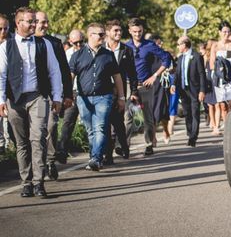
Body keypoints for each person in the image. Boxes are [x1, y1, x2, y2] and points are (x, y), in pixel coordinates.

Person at [0, 7, 63, 198]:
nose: (34, 24)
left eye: (35, 21)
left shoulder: (44, 44)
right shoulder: (5, 46)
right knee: (21, 143)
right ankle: (25, 182)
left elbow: (55, 71)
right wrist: (1, 100)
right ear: (18, 23)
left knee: (38, 139)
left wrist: (57, 97)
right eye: (30, 21)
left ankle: (38, 182)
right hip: (15, 99)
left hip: (38, 97)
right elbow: (1, 75)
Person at [69, 23, 125, 170]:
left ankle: (96, 158)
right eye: (99, 34)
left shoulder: (108, 54)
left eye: (103, 34)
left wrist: (121, 98)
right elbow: (71, 76)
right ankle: (95, 156)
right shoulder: (77, 55)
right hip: (83, 98)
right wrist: (67, 96)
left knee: (100, 127)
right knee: (90, 129)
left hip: (104, 97)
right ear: (90, 35)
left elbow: (117, 77)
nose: (103, 37)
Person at [35, 11, 73, 181]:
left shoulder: (55, 43)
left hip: (51, 94)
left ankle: (50, 160)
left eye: (46, 22)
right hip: (27, 95)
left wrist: (67, 94)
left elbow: (65, 70)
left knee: (50, 126)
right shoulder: (20, 43)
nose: (46, 26)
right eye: (42, 22)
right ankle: (34, 163)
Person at [126, 18, 172, 156]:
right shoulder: (126, 47)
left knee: (148, 118)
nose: (137, 34)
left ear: (143, 30)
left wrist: (155, 75)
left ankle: (148, 144)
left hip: (145, 85)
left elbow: (166, 59)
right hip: (129, 85)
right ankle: (124, 145)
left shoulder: (150, 45)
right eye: (134, 31)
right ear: (129, 31)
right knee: (128, 116)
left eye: (139, 31)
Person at [104, 19, 139, 163]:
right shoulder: (101, 49)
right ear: (108, 32)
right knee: (106, 123)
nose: (119, 33)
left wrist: (134, 91)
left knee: (118, 122)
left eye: (120, 31)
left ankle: (123, 146)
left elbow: (132, 73)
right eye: (115, 31)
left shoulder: (126, 50)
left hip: (120, 90)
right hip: (104, 90)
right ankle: (108, 155)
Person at [209, 21, 231, 135]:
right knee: (222, 106)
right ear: (219, 32)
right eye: (224, 31)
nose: (226, 34)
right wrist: (221, 68)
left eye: (228, 31)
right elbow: (211, 64)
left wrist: (229, 67)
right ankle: (228, 129)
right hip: (220, 77)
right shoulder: (215, 46)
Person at [172, 36, 206, 147]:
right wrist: (173, 84)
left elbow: (202, 74)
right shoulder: (180, 58)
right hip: (183, 89)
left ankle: (193, 137)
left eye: (178, 44)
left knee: (195, 112)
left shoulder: (196, 56)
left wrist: (202, 90)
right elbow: (177, 73)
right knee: (187, 113)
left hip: (194, 89)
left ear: (184, 44)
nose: (177, 46)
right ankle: (189, 132)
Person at [56, 29, 84, 163]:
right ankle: (62, 150)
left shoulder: (88, 53)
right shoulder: (66, 55)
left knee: (92, 123)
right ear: (70, 42)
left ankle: (101, 152)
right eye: (76, 43)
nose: (79, 45)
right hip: (72, 92)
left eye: (81, 42)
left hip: (87, 93)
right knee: (68, 122)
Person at [0, 14, 11, 155]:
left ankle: (8, 147)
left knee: (9, 120)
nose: (3, 32)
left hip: (9, 88)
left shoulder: (12, 44)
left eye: (5, 28)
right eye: (0, 28)